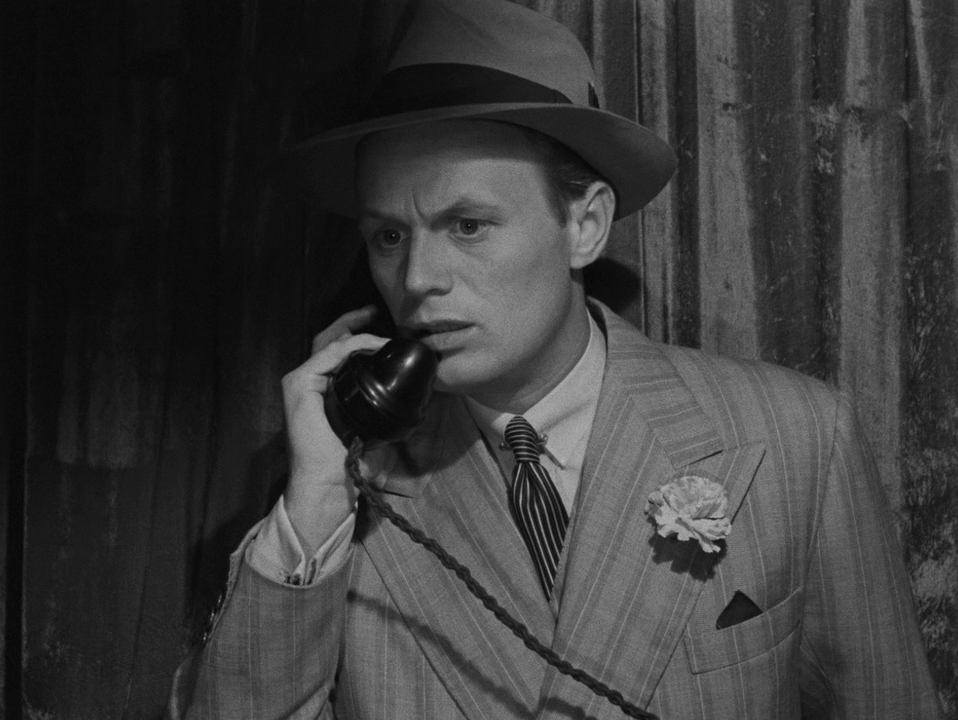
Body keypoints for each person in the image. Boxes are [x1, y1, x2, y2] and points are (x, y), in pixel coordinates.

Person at [168, 1, 944, 718]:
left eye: (467, 225)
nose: (418, 278)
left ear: (585, 226)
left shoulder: (797, 440)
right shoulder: (348, 485)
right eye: (389, 236)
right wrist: (314, 501)